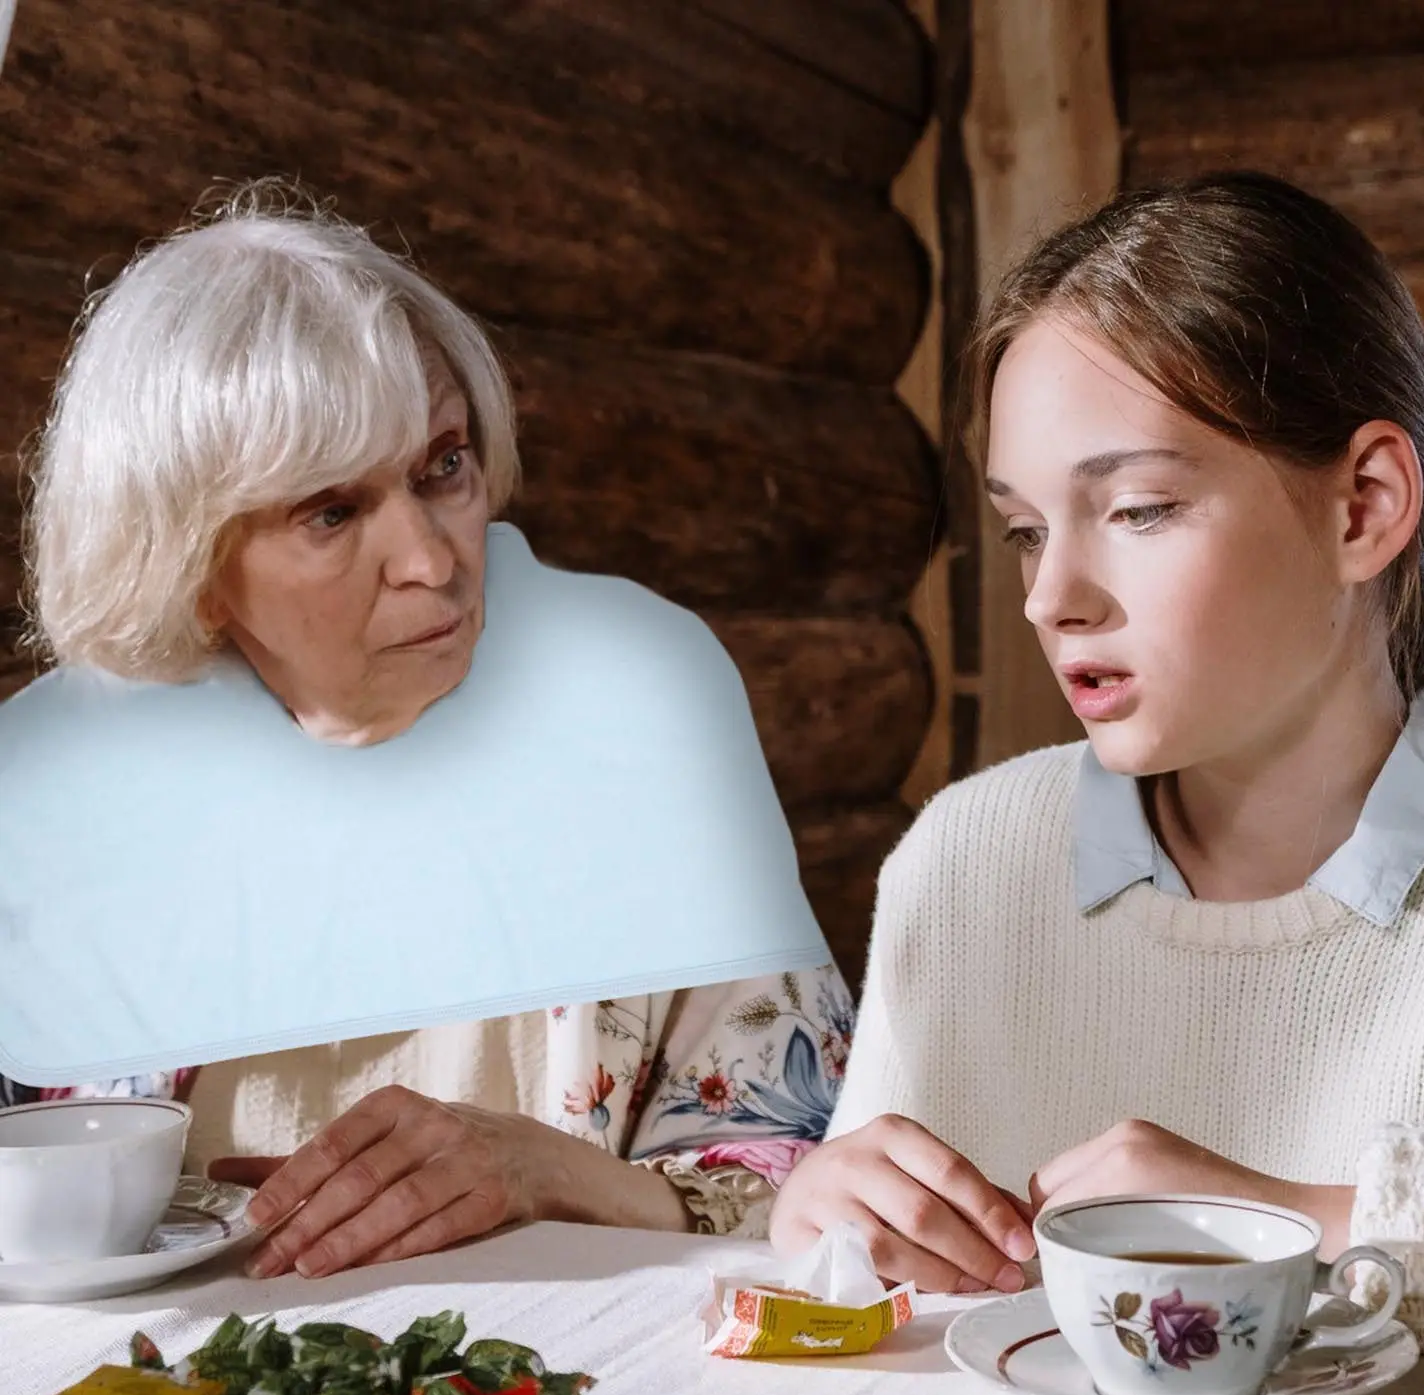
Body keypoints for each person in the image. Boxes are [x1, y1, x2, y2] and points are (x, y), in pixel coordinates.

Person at [772, 170, 1424, 1364]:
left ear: (1363, 506)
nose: (1053, 599)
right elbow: (874, 1311)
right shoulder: (966, 858)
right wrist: (829, 1223)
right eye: (1023, 530)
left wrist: (1288, 1227)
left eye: (1141, 508)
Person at [7, 182, 855, 1273]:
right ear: (194, 571)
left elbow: (826, 1194)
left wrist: (548, 1170)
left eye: (441, 467)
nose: (434, 558)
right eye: (332, 510)